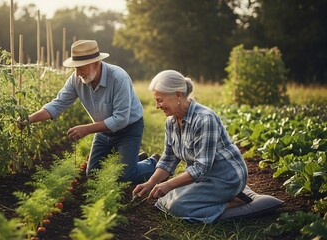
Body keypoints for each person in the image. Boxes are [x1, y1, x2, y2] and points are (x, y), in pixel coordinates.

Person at [17, 40, 157, 184]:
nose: (77, 74)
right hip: (103, 131)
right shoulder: (76, 79)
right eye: (75, 68)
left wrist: (87, 129)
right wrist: (28, 120)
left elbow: (121, 119)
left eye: (81, 68)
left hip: (128, 129)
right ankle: (135, 160)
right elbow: (57, 105)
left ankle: (154, 163)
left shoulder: (118, 78)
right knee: (93, 174)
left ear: (97, 63)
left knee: (125, 177)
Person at [132, 70, 251, 223]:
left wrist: (168, 184)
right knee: (163, 201)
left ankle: (234, 201)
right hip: (203, 177)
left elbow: (201, 167)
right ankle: (206, 196)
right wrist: (151, 182)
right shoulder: (171, 121)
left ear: (178, 95)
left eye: (160, 100)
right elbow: (168, 159)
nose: (157, 106)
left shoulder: (205, 119)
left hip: (226, 177)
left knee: (178, 207)